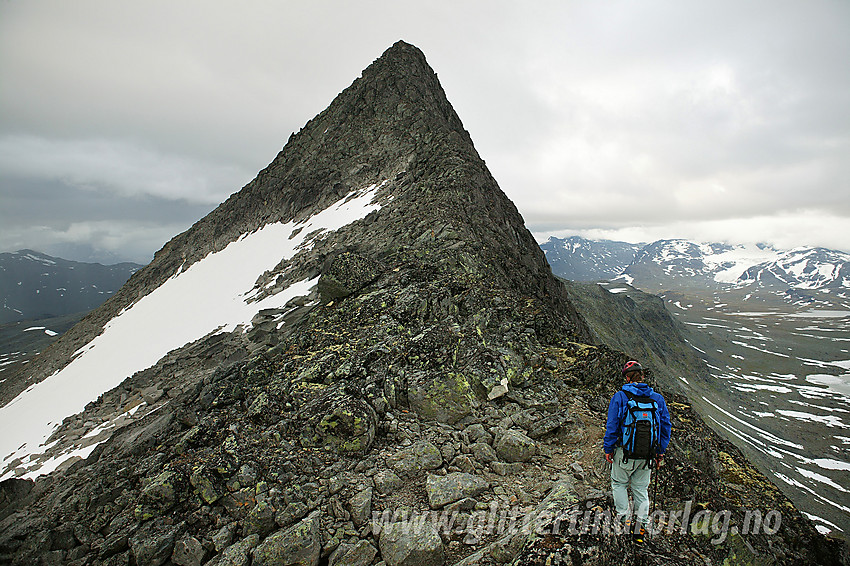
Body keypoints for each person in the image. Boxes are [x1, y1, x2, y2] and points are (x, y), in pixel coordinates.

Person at [603, 360, 671, 542]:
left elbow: (612, 426)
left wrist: (608, 448)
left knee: (619, 484)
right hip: (648, 454)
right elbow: (665, 427)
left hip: (624, 453)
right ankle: (639, 529)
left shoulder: (620, 397)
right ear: (642, 376)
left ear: (627, 377)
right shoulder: (657, 399)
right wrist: (660, 451)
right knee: (641, 490)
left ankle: (624, 522)